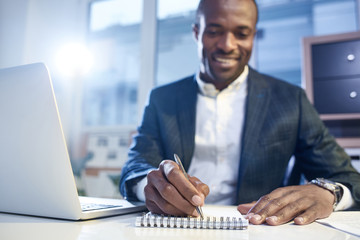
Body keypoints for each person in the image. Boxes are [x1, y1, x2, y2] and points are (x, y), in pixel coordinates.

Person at [120, 0, 360, 226]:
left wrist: (328, 192)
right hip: (173, 227)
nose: (227, 45)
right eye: (214, 31)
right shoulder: (162, 99)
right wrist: (152, 187)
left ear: (253, 36)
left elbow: (348, 178)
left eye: (242, 34)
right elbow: (136, 166)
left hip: (257, 229)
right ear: (196, 33)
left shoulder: (290, 99)